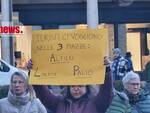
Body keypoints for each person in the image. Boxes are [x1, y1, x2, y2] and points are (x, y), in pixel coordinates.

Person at [28, 57, 113, 113]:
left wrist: (106, 70)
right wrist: (33, 72)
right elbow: (43, 94)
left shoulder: (96, 103)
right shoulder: (59, 102)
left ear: (87, 87)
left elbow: (106, 92)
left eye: (80, 86)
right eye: (72, 86)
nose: (76, 89)